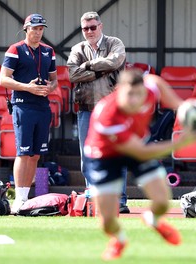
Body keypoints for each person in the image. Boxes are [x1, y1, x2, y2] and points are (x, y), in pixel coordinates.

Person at [84, 69, 196, 261]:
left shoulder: (150, 89)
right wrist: (184, 141)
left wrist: (185, 109)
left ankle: (153, 219)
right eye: (129, 95)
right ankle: (119, 239)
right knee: (107, 220)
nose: (135, 100)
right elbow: (142, 152)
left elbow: (157, 83)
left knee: (162, 201)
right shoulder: (108, 115)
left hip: (136, 143)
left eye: (139, 94)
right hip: (104, 157)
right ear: (118, 91)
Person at [66, 11, 130, 213]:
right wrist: (101, 70)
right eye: (85, 28)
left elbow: (115, 62)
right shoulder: (77, 48)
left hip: (114, 110)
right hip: (86, 109)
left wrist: (88, 66)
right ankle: (95, 198)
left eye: (93, 27)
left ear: (100, 26)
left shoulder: (115, 43)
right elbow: (72, 74)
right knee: (88, 156)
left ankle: (119, 201)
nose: (89, 31)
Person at [0, 13, 58, 214]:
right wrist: (27, 87)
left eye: (41, 29)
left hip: (42, 106)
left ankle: (25, 197)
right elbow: (3, 80)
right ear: (26, 29)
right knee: (23, 153)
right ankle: (18, 199)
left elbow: (55, 80)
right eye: (35, 28)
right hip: (23, 105)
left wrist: (50, 88)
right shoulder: (15, 49)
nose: (38, 32)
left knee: (34, 155)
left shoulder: (49, 51)